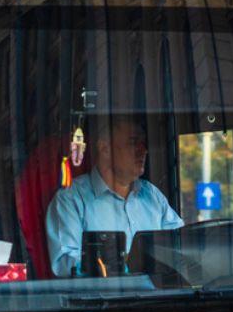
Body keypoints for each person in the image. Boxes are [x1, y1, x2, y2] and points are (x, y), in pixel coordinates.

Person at [47, 114, 185, 277]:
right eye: (133, 142)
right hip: (107, 301)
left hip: (161, 300)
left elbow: (182, 246)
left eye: (143, 143)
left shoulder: (152, 196)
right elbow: (66, 264)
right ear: (105, 149)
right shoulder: (71, 199)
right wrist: (121, 268)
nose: (143, 150)